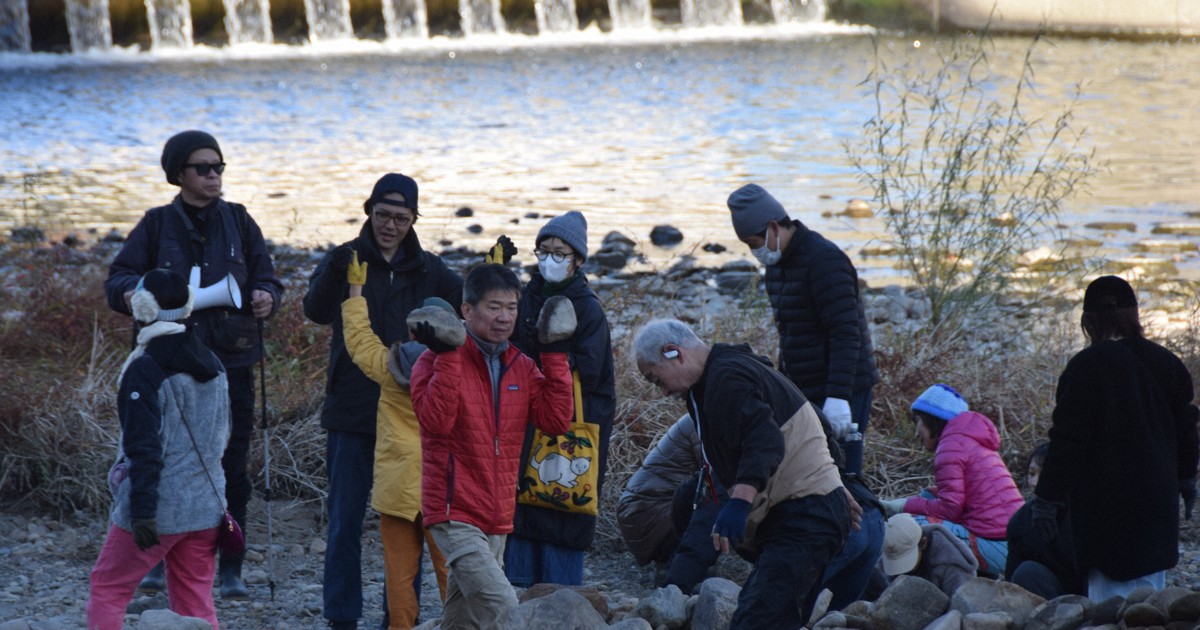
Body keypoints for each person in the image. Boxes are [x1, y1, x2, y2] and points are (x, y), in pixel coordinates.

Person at [105, 130, 283, 599]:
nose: (213, 176)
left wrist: (267, 296)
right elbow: (118, 278)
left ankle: (230, 564)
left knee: (231, 465)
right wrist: (132, 295)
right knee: (156, 457)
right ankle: (156, 559)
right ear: (178, 174)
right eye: (203, 168)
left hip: (230, 363)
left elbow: (266, 276)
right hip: (164, 366)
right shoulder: (156, 224)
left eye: (218, 167)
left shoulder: (241, 222)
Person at [303, 173, 463, 630]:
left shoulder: (430, 267)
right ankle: (341, 616)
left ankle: (400, 618)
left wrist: (494, 272)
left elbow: (468, 307)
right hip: (352, 408)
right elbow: (314, 311)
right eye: (382, 215)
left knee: (408, 518)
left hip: (410, 417)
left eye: (401, 217)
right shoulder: (346, 258)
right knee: (344, 520)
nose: (390, 225)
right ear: (368, 211)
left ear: (414, 219)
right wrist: (335, 273)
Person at [633, 318, 854, 629]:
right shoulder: (727, 372)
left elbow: (765, 439)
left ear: (674, 352)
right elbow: (812, 427)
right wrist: (835, 486)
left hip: (805, 516)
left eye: (655, 379)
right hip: (810, 510)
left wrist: (739, 500)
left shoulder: (726, 378)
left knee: (755, 620)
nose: (661, 390)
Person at [410, 263, 575, 629]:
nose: (505, 317)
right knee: (504, 608)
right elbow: (436, 423)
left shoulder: (521, 365)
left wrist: (555, 354)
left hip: (497, 514)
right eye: (494, 307)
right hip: (453, 509)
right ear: (466, 311)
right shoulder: (432, 360)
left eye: (512, 307)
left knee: (463, 620)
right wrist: (450, 355)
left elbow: (556, 421)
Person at [1031, 275, 1200, 600]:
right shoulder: (1167, 362)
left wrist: (1046, 500)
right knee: (1149, 604)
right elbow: (1187, 429)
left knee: (1109, 607)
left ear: (1088, 321)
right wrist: (1187, 478)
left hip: (1106, 510)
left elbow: (1067, 441)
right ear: (1135, 314)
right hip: (1157, 504)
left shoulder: (1085, 367)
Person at [88, 269, 229, 630]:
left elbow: (143, 448)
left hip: (160, 506)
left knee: (108, 588)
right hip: (207, 503)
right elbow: (223, 436)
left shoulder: (145, 369)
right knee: (194, 598)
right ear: (187, 306)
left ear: (142, 306)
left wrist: (142, 511)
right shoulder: (213, 363)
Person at [727, 184, 879, 474]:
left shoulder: (825, 260)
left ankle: (860, 518)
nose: (754, 250)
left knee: (844, 472)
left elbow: (846, 333)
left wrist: (838, 396)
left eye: (754, 241)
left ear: (773, 227)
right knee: (812, 472)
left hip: (844, 386)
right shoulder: (777, 266)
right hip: (804, 387)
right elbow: (790, 332)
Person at [505, 211, 617, 588]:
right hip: (525, 418)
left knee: (562, 508)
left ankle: (562, 595)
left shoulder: (588, 309)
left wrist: (556, 355)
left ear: (578, 260)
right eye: (544, 251)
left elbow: (592, 371)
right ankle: (519, 591)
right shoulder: (523, 297)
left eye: (560, 253)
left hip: (571, 424)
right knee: (521, 504)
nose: (550, 259)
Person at [340, 256, 451, 629]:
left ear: (414, 331)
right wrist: (489, 276)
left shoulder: (390, 366)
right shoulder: (458, 371)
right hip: (443, 488)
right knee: (453, 575)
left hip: (397, 489)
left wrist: (357, 290)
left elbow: (358, 339)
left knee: (399, 578)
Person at [880, 384, 1023, 577]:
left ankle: (936, 583)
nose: (916, 432)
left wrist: (901, 506)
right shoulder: (969, 441)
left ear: (933, 420)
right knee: (927, 495)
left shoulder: (950, 447)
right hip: (1015, 542)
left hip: (1000, 550)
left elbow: (950, 509)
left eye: (918, 421)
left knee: (912, 525)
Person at [875, 513, 978, 598]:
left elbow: (962, 609)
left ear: (924, 543)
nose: (902, 571)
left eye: (906, 558)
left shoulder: (953, 567)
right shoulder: (887, 551)